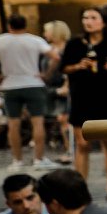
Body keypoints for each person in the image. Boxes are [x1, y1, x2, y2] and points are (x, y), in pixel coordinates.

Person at [59, 6, 107, 202]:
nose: (87, 21)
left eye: (93, 17)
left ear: (103, 22)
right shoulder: (75, 43)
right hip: (82, 97)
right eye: (85, 17)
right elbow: (63, 68)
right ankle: (82, 189)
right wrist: (78, 66)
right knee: (82, 144)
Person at [0, 15, 59, 170]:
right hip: (33, 83)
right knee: (37, 122)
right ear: (25, 25)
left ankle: (17, 161)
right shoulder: (34, 40)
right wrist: (46, 74)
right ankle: (38, 159)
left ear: (9, 25)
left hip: (10, 84)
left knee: (13, 124)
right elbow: (55, 57)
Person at [41, 21, 72, 161]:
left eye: (47, 31)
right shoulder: (47, 49)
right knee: (61, 120)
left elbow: (68, 69)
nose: (44, 34)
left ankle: (70, 150)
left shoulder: (68, 48)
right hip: (52, 89)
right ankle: (69, 149)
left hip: (65, 88)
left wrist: (66, 85)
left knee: (64, 119)